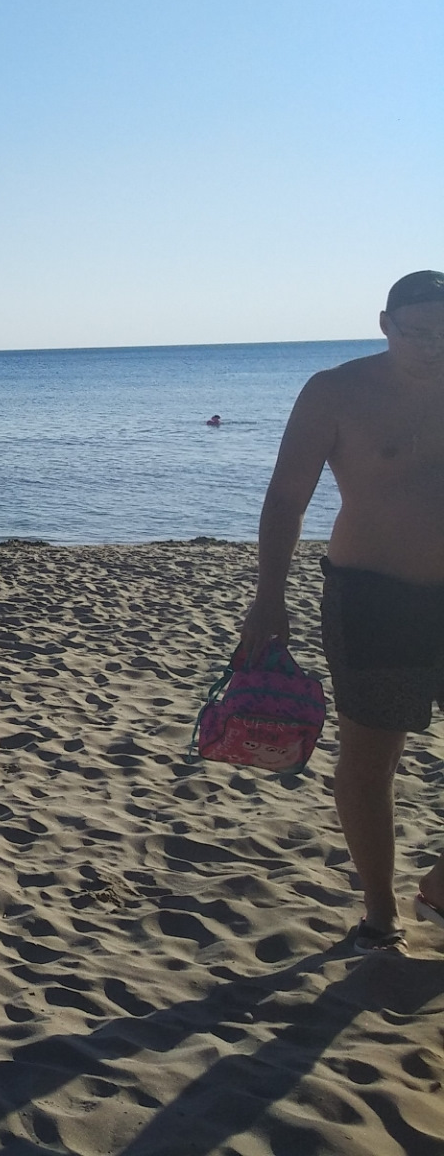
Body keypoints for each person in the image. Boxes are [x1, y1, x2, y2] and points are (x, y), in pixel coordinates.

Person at [241, 270, 444, 953]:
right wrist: (269, 596)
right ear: (385, 325)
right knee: (369, 761)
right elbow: (286, 498)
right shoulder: (335, 391)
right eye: (418, 333)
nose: (432, 347)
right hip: (373, 599)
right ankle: (381, 912)